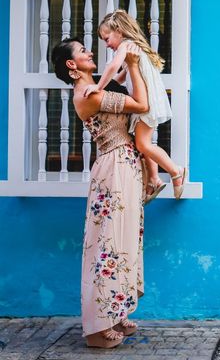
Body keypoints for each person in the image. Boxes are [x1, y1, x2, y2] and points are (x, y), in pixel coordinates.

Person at [52, 39, 149, 348]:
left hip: (125, 163)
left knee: (122, 241)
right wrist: (132, 65)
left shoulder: (97, 89)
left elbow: (119, 87)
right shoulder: (87, 95)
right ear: (71, 64)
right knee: (107, 244)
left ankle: (116, 311)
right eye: (82, 51)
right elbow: (142, 105)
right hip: (114, 167)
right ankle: (98, 326)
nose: (90, 52)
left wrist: (128, 64)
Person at [85, 9, 186, 202]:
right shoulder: (132, 49)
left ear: (119, 32)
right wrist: (110, 86)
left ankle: (175, 170)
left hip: (146, 102)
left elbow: (113, 66)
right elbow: (121, 76)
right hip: (147, 101)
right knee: (142, 142)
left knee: (143, 144)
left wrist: (98, 87)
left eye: (107, 39)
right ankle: (154, 180)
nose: (107, 45)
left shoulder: (126, 45)